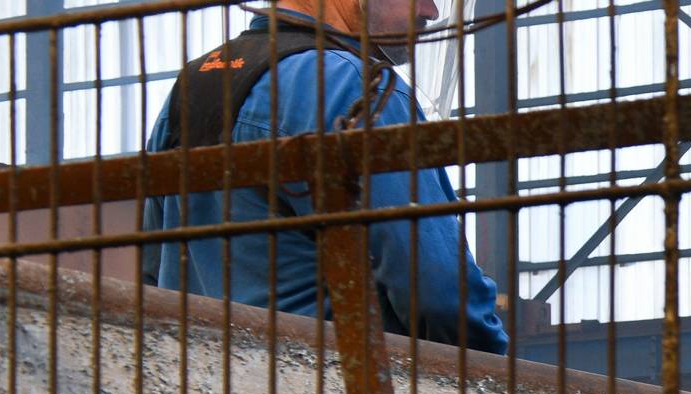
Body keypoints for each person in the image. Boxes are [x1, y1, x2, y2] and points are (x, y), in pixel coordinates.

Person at [141, 0, 508, 354]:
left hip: (202, 381)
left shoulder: (191, 87)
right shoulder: (361, 89)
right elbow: (439, 293)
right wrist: (493, 373)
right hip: (333, 383)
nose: (431, 10)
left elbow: (153, 272)